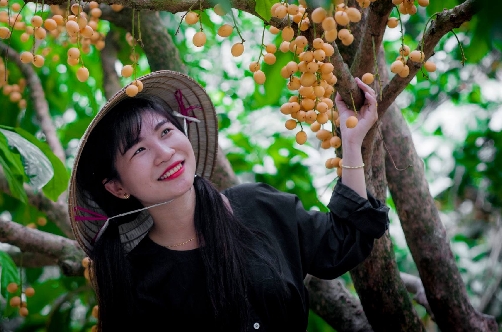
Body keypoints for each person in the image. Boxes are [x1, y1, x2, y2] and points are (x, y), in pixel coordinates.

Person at [69, 70, 389, 331]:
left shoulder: (258, 205)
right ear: (117, 188)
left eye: (166, 132)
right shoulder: (134, 279)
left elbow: (345, 239)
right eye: (138, 149)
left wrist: (351, 141)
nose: (165, 153)